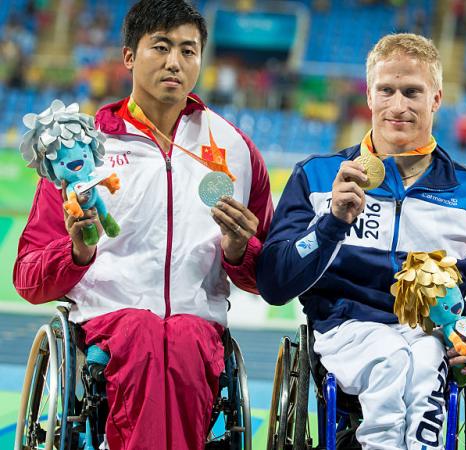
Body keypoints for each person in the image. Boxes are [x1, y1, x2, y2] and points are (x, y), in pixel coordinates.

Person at [13, 1, 273, 448]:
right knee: (144, 334)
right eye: (161, 47)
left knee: (184, 337)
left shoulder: (236, 149)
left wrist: (239, 251)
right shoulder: (80, 146)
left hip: (198, 329)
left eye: (188, 51)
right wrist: (76, 252)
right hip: (111, 326)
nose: (175, 62)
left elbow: (268, 276)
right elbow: (28, 277)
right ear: (129, 56)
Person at [256, 33, 466, 450]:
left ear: (436, 98)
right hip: (345, 332)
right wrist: (332, 224)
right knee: (394, 358)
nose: (399, 106)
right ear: (369, 95)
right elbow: (274, 284)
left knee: (422, 359)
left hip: (432, 339)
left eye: (412, 92)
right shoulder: (318, 178)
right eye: (387, 91)